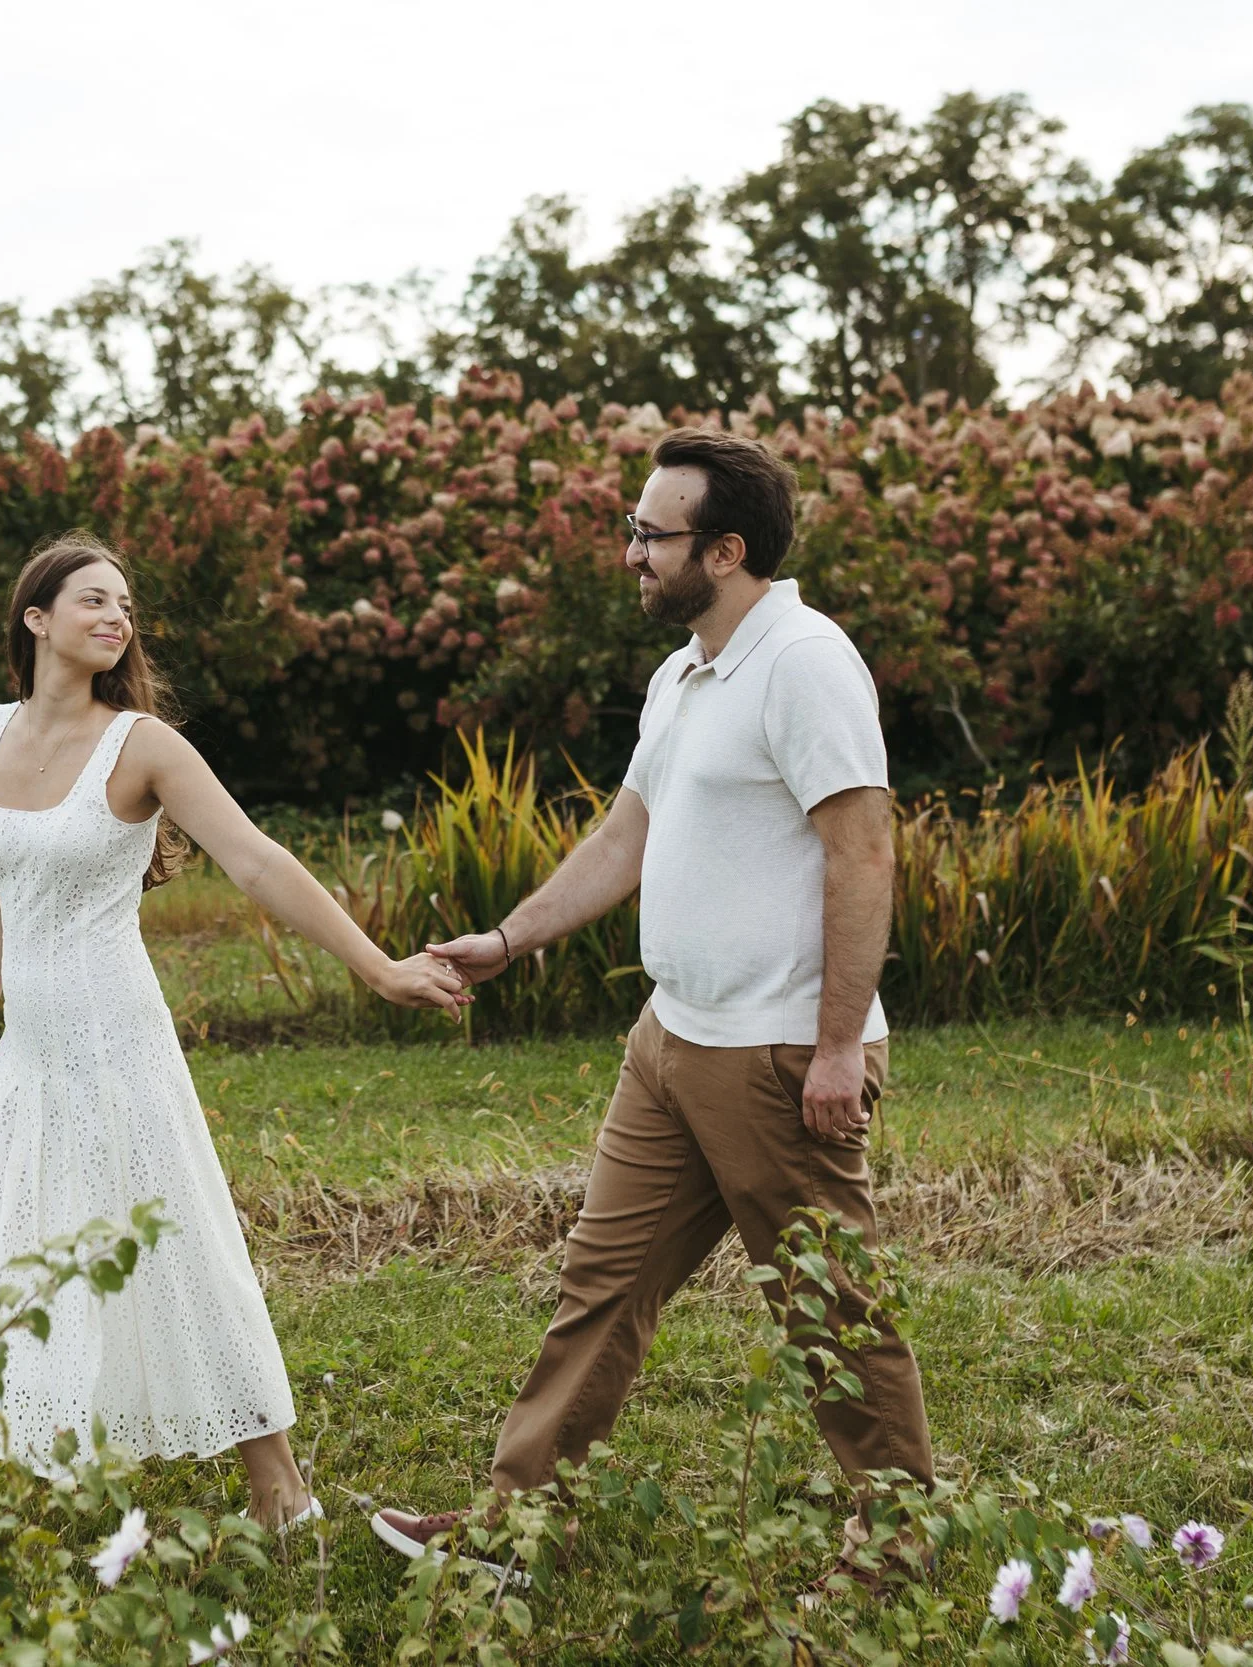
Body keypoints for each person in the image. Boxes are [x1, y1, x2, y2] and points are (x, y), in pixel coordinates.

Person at [373, 427, 934, 1561]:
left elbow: (863, 851)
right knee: (600, 1286)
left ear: (724, 550)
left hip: (775, 1053)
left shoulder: (804, 661)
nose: (631, 552)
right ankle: (515, 1523)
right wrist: (508, 938)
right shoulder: (683, 672)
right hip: (671, 1037)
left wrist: (836, 1047)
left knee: (828, 1305)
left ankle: (900, 1537)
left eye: (650, 534)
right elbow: (628, 832)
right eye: (631, 530)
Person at [0, 530, 469, 1529]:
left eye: (125, 605)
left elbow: (257, 861)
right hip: (25, 1055)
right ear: (35, 617)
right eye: (93, 598)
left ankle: (282, 1492)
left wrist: (379, 967)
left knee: (177, 1252)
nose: (116, 616)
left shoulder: (142, 745)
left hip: (118, 1044)